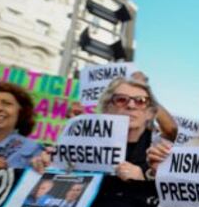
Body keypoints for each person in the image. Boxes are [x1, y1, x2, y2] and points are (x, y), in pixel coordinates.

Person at [32, 77, 163, 181]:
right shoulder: (78, 146)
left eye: (140, 101)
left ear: (150, 113)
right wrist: (49, 166)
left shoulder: (161, 152)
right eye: (121, 99)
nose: (131, 105)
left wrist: (141, 182)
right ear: (107, 108)